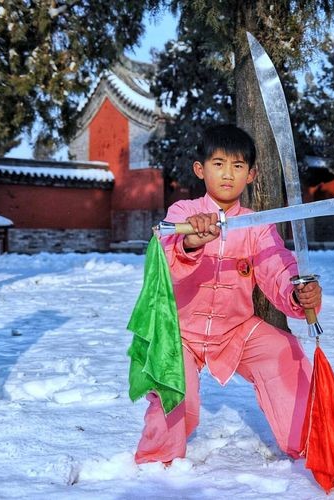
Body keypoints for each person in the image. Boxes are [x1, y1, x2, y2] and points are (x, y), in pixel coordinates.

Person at [134, 124, 321, 465]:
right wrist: (192, 240)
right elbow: (167, 253)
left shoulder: (256, 223)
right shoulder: (182, 213)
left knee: (286, 354)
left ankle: (311, 442)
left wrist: (297, 292)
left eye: (237, 167)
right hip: (181, 332)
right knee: (175, 393)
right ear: (200, 169)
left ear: (251, 175)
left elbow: (276, 265)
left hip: (236, 329)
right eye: (218, 164)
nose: (227, 175)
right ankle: (156, 464)